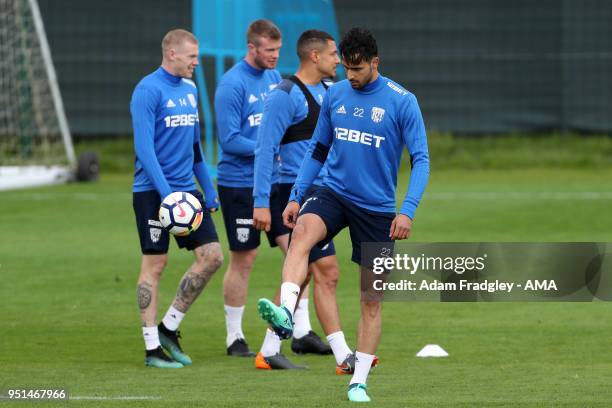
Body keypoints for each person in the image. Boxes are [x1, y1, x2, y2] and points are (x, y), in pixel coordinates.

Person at [257, 27, 430, 402]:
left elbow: (421, 160)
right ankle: (286, 312)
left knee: (371, 299)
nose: (350, 75)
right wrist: (295, 196)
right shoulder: (335, 95)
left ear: (375, 63)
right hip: (332, 191)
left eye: (358, 69)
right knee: (302, 233)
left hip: (378, 208)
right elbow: (317, 150)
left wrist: (408, 211)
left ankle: (358, 381)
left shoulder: (403, 101)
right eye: (347, 67)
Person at [214, 19, 329, 359]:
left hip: (276, 184)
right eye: (269, 50)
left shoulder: (275, 79)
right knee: (244, 260)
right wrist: (270, 145)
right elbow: (229, 140)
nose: (275, 56)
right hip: (239, 185)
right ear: (252, 48)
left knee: (299, 254)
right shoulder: (231, 85)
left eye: (279, 49)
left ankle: (301, 331)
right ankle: (234, 337)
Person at [252, 29, 358, 372]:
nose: (339, 61)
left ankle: (271, 349)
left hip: (324, 194)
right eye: (332, 55)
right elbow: (265, 149)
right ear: (314, 56)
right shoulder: (285, 95)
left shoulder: (331, 92)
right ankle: (343, 356)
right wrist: (261, 202)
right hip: (291, 195)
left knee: (314, 273)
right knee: (325, 271)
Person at [130, 29, 224, 368]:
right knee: (155, 264)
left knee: (212, 257)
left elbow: (195, 146)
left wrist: (207, 188)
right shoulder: (147, 90)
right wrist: (167, 195)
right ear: (171, 53)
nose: (196, 64)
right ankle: (152, 348)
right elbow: (145, 149)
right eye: (191, 57)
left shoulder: (190, 89)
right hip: (153, 193)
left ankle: (169, 327)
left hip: (188, 193)